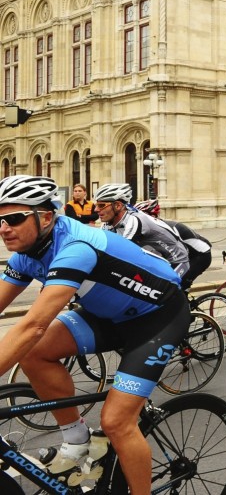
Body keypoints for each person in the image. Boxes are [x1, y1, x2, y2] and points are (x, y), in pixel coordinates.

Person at [0, 175, 189, 494]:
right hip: (108, 315)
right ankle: (78, 444)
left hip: (157, 318)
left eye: (14, 219)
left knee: (116, 421)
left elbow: (32, 326)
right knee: (34, 353)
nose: (4, 228)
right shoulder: (26, 253)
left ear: (45, 216)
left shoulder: (76, 247)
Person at [94, 183, 191, 279]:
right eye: (96, 205)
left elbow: (122, 253)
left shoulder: (134, 221)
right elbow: (99, 248)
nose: (96, 209)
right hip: (158, 263)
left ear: (118, 206)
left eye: (101, 205)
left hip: (177, 261)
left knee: (161, 291)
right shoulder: (107, 224)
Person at [135, 200, 212, 291]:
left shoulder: (167, 228)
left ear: (152, 216)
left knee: (174, 285)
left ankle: (183, 303)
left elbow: (179, 252)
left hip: (200, 255)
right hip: (186, 254)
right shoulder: (152, 229)